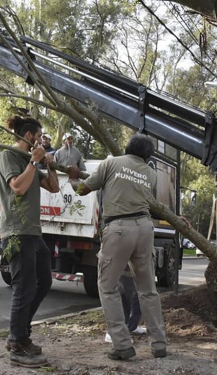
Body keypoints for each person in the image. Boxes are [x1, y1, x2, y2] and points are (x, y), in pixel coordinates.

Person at [68, 133, 167, 360]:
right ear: (147, 155)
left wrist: (72, 178)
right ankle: (159, 344)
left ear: (127, 147)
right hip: (144, 229)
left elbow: (83, 189)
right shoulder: (151, 175)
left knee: (107, 286)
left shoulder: (112, 162)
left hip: (119, 229)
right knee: (148, 290)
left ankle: (122, 344)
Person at [0, 115, 59, 367]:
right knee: (23, 287)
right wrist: (34, 161)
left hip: (34, 233)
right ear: (30, 136)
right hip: (16, 232)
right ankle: (17, 343)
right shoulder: (9, 156)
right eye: (40, 135)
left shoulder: (30, 161)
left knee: (43, 282)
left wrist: (50, 164)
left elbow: (53, 187)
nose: (42, 140)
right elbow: (18, 187)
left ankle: (21, 332)